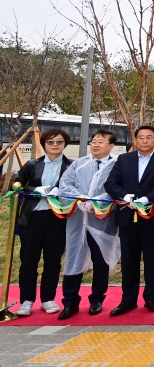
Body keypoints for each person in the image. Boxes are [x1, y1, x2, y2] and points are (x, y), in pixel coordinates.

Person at [104, 125, 154, 316]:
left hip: (152, 215)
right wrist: (124, 196)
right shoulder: (123, 159)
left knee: (152, 259)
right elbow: (110, 183)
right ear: (135, 140)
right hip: (127, 215)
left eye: (149, 137)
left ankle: (152, 297)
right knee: (129, 260)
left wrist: (146, 199)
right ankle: (128, 299)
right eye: (141, 137)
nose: (145, 140)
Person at [57, 130, 121, 320]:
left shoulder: (116, 165)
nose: (95, 145)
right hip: (77, 219)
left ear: (111, 145)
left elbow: (115, 189)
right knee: (73, 257)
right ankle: (70, 302)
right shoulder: (79, 163)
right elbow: (65, 184)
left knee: (101, 261)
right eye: (93, 141)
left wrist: (96, 202)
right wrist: (79, 199)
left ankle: (97, 299)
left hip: (102, 221)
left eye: (101, 142)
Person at [14, 129, 73, 317]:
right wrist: (35, 189)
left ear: (65, 144)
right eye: (50, 142)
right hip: (32, 218)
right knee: (29, 261)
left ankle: (48, 299)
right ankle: (26, 300)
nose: (55, 145)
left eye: (59, 142)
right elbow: (17, 185)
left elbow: (75, 189)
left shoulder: (71, 166)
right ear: (44, 144)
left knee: (53, 261)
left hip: (57, 218)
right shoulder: (32, 165)